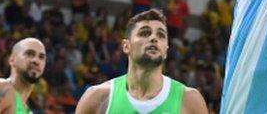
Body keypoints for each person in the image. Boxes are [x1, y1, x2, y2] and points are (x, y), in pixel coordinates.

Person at [75, 9, 208, 114]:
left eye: (161, 35)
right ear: (126, 46)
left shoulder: (190, 100)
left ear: (166, 50)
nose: (154, 38)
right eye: (145, 33)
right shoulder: (97, 97)